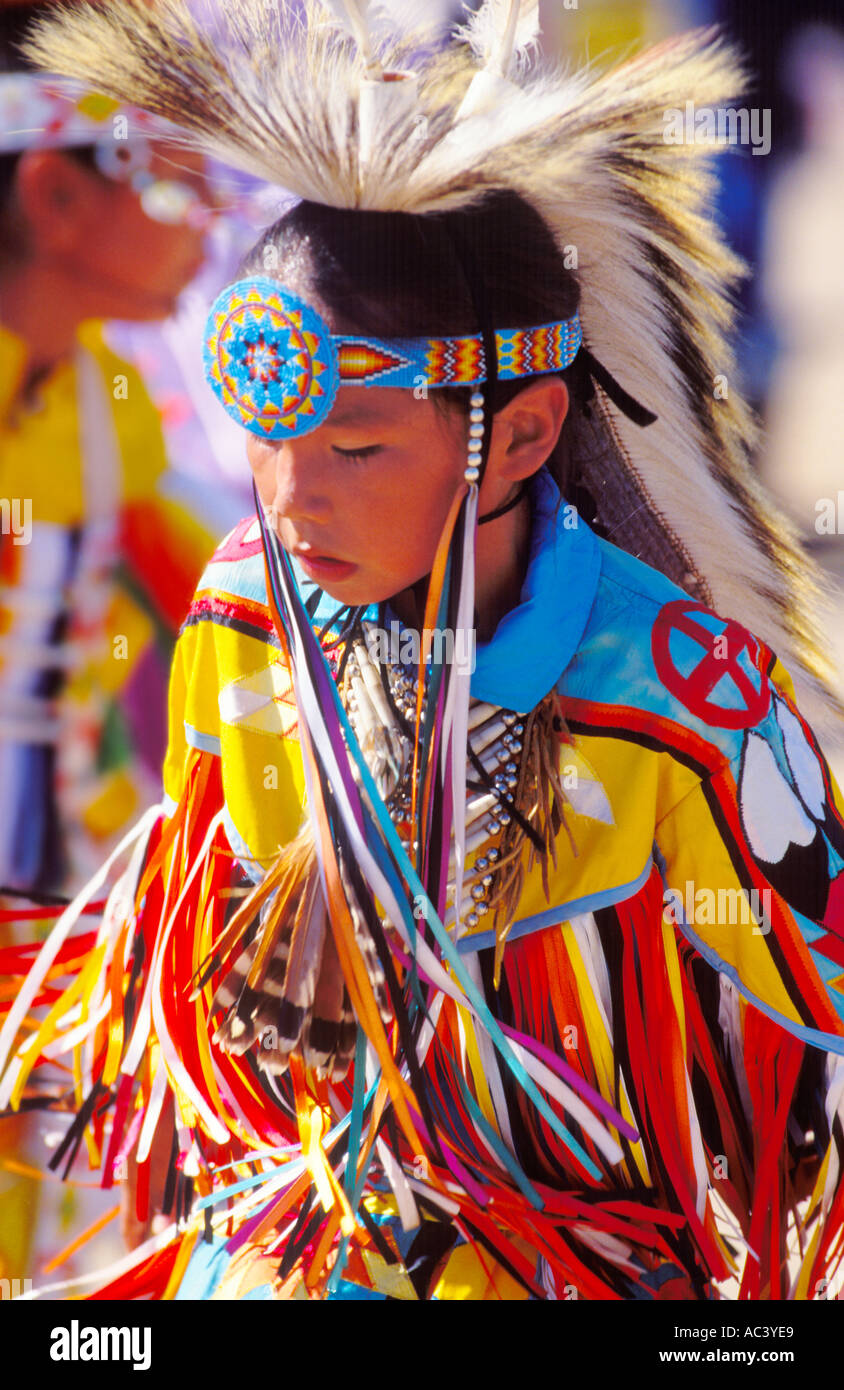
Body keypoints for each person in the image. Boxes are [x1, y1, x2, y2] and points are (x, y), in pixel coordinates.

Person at [1, 0, 844, 1303]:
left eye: (352, 447)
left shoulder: (681, 698)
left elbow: (816, 1013)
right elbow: (187, 937)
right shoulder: (245, 610)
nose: (286, 502)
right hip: (272, 1249)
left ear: (519, 437)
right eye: (265, 442)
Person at [0, 10, 221, 1285]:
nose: (207, 213)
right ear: (52, 193)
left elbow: (223, 600)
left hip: (56, 913)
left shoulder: (99, 399)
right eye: (167, 173)